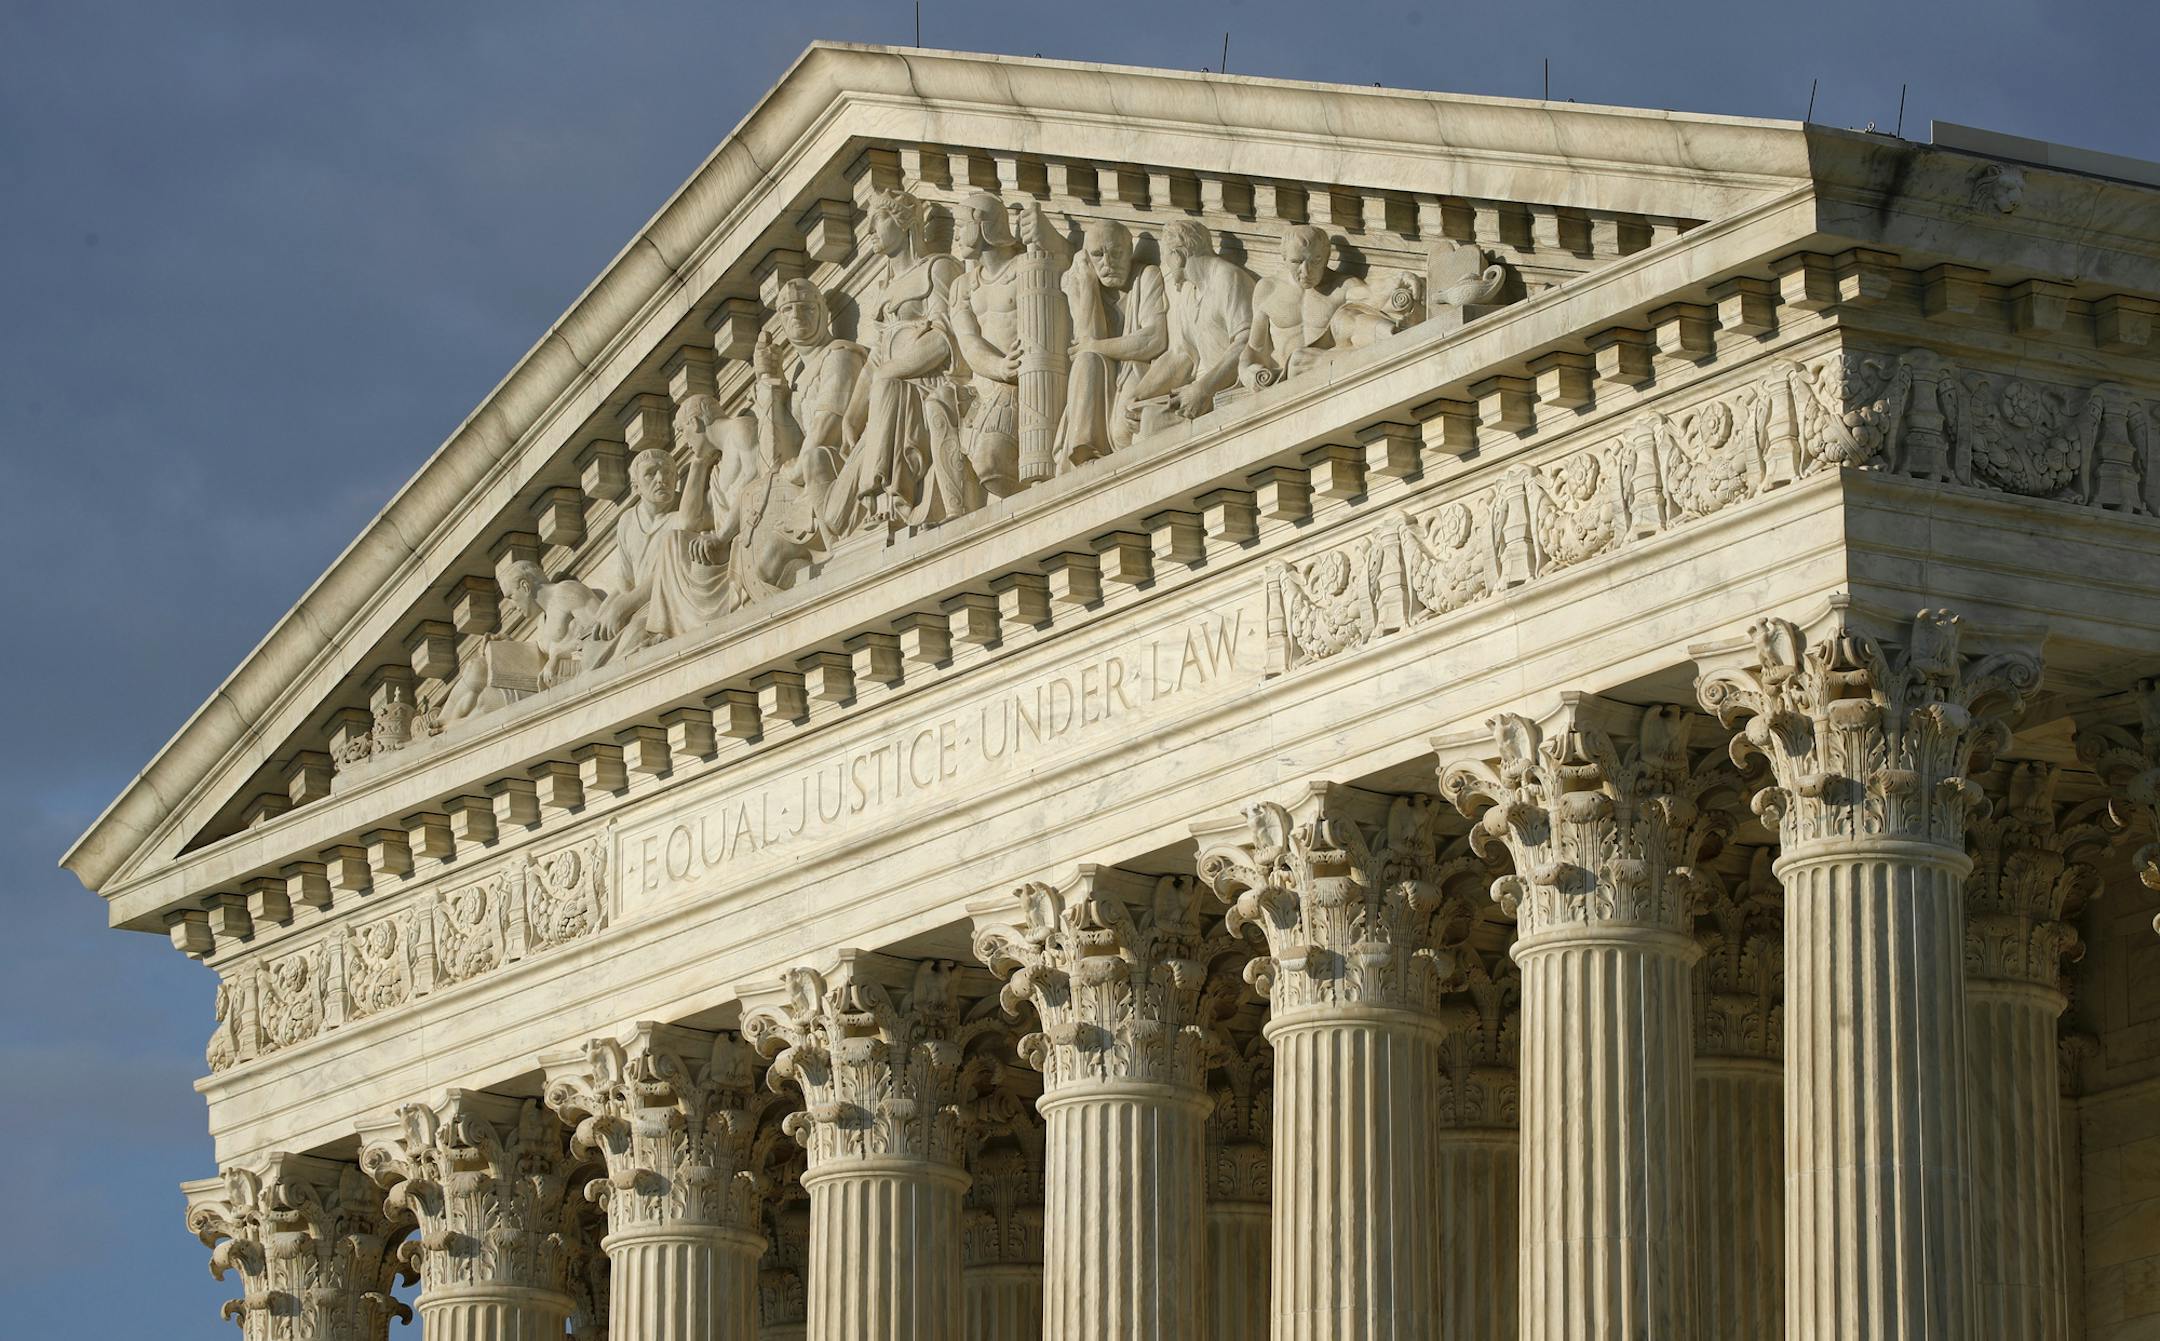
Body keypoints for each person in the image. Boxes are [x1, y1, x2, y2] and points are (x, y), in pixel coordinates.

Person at [830, 187, 962, 531]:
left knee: (889, 385)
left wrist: (890, 373)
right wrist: (852, 417)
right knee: (833, 515)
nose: (870, 232)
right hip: (888, 398)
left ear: (902, 221)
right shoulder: (884, 292)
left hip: (927, 387)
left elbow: (945, 338)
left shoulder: (938, 269)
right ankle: (876, 499)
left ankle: (888, 495)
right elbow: (875, 359)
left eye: (877, 221)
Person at [1040, 214, 1166, 469]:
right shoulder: (1077, 281)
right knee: (1087, 360)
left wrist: (1094, 347)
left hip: (1137, 367)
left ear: (1130, 251)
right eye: (1097, 255)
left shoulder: (1147, 276)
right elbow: (1089, 337)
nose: (1108, 263)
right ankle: (1084, 450)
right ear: (1086, 258)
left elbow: (1154, 339)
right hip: (1102, 373)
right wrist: (1087, 285)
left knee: (1124, 435)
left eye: (1116, 253)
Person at [1130, 218, 1254, 421]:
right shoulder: (1188, 292)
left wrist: (1204, 389)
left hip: (1228, 389)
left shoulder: (1228, 278)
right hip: (1198, 392)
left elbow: (1245, 342)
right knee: (1149, 417)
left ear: (1178, 256)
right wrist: (1139, 395)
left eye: (1166, 258)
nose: (1166, 266)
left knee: (1153, 422)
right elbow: (1181, 355)